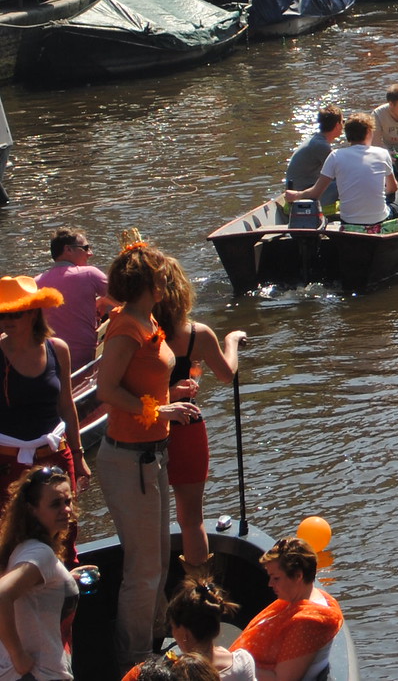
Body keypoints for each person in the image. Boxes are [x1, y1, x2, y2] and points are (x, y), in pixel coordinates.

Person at [96, 236, 200, 670]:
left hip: (152, 452)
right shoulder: (125, 328)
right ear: (148, 282)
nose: (167, 282)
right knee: (143, 571)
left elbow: (141, 381)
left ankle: (155, 643)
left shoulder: (146, 320)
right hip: (128, 458)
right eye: (161, 276)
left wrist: (169, 393)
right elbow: (106, 390)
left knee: (157, 559)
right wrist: (160, 408)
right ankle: (134, 662)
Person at [153, 257, 244, 579]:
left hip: (145, 429)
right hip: (187, 427)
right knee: (191, 520)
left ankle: (155, 588)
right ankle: (200, 589)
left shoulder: (136, 333)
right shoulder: (197, 335)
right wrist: (231, 341)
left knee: (151, 519)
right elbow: (225, 374)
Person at [0, 278, 86, 512]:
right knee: (12, 537)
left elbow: (67, 405)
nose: (7, 320)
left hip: (56, 455)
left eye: (15, 314)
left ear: (32, 313)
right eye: (2, 315)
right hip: (7, 463)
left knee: (65, 530)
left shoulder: (58, 349)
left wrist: (78, 455)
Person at [0, 464, 75, 681]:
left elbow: (32, 596)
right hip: (39, 674)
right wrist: (18, 656)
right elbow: (2, 595)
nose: (66, 509)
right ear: (32, 509)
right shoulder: (40, 554)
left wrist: (66, 580)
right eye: (55, 504)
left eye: (68, 501)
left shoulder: (24, 547)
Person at [235, 536, 343, 681]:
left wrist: (233, 665)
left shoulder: (308, 623)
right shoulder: (305, 599)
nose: (270, 584)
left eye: (276, 578)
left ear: (298, 576)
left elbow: (282, 679)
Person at [284, 114, 397, 230]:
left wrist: (297, 195)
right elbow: (393, 188)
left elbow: (315, 194)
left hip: (348, 221)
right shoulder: (383, 153)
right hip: (379, 220)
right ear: (368, 132)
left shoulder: (335, 155)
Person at [153, 578, 258, 681]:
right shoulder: (244, 662)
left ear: (185, 633)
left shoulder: (178, 675)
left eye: (174, 627)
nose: (173, 633)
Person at [32, 232, 105, 365]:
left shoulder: (35, 283)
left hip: (50, 361)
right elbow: (124, 297)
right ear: (68, 249)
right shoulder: (90, 273)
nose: (90, 253)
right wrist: (104, 301)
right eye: (85, 248)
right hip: (85, 359)